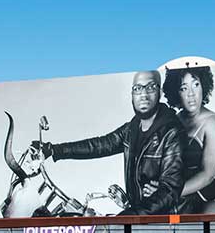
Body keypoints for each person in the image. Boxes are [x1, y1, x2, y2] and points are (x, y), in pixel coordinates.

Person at [32, 70, 184, 214]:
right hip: (138, 215)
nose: (143, 94)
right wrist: (53, 150)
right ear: (132, 94)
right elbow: (99, 145)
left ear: (160, 92)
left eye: (150, 87)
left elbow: (169, 190)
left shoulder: (171, 132)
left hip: (164, 222)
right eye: (138, 88)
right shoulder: (132, 128)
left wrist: (128, 216)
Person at [149, 65, 215, 214]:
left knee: (202, 221)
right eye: (184, 88)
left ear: (204, 86)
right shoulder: (173, 120)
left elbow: (207, 176)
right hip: (182, 196)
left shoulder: (213, 123)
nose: (191, 94)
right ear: (176, 92)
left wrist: (168, 193)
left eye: (195, 85)